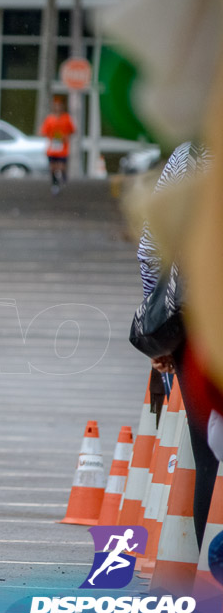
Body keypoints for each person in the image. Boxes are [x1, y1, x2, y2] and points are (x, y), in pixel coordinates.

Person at [136, 141, 218, 551]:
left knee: (209, 456)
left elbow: (151, 249)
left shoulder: (191, 155)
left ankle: (212, 583)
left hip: (198, 320)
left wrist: (162, 332)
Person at [40, 95, 76, 195]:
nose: (58, 108)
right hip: (53, 148)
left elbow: (72, 130)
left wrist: (65, 136)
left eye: (59, 106)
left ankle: (63, 176)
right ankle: (55, 184)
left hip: (63, 148)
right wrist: (51, 135)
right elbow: (43, 131)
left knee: (61, 167)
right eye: (56, 106)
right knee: (52, 168)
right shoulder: (50, 119)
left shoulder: (66, 118)